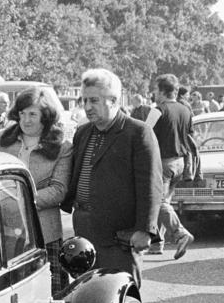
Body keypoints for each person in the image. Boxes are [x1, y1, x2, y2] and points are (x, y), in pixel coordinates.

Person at [64, 68, 163, 279]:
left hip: (119, 235)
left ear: (114, 100)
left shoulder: (138, 133)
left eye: (94, 101)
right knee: (89, 297)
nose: (88, 107)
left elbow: (151, 184)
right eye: (84, 101)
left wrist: (145, 230)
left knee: (120, 297)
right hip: (84, 229)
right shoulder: (83, 132)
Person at [0, 87, 72, 256]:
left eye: (32, 114)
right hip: (3, 230)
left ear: (46, 116)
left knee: (48, 281)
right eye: (22, 114)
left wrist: (20, 200)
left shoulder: (62, 146)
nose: (26, 120)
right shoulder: (1, 138)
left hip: (44, 233)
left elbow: (58, 190)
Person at [147, 74, 196, 257]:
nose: (154, 93)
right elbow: (191, 135)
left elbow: (143, 135)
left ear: (161, 91)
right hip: (181, 163)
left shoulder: (157, 110)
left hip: (163, 163)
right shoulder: (186, 110)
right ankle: (156, 244)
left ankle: (180, 233)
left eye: (155, 90)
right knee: (164, 202)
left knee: (157, 202)